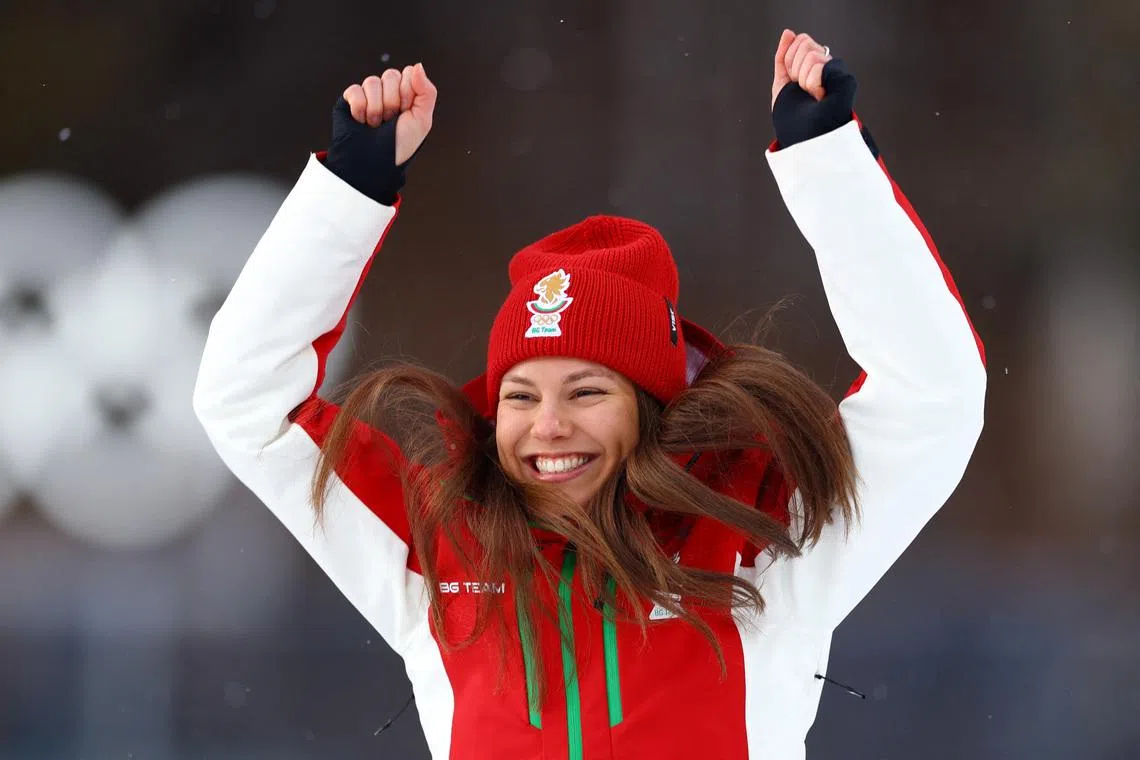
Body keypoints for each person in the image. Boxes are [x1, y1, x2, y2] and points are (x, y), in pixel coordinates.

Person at [194, 29, 986, 760]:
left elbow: (933, 396)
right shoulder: (437, 540)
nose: (548, 426)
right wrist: (349, 193)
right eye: (519, 395)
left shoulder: (762, 531)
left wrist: (830, 166)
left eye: (585, 390)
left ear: (651, 400)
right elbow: (244, 401)